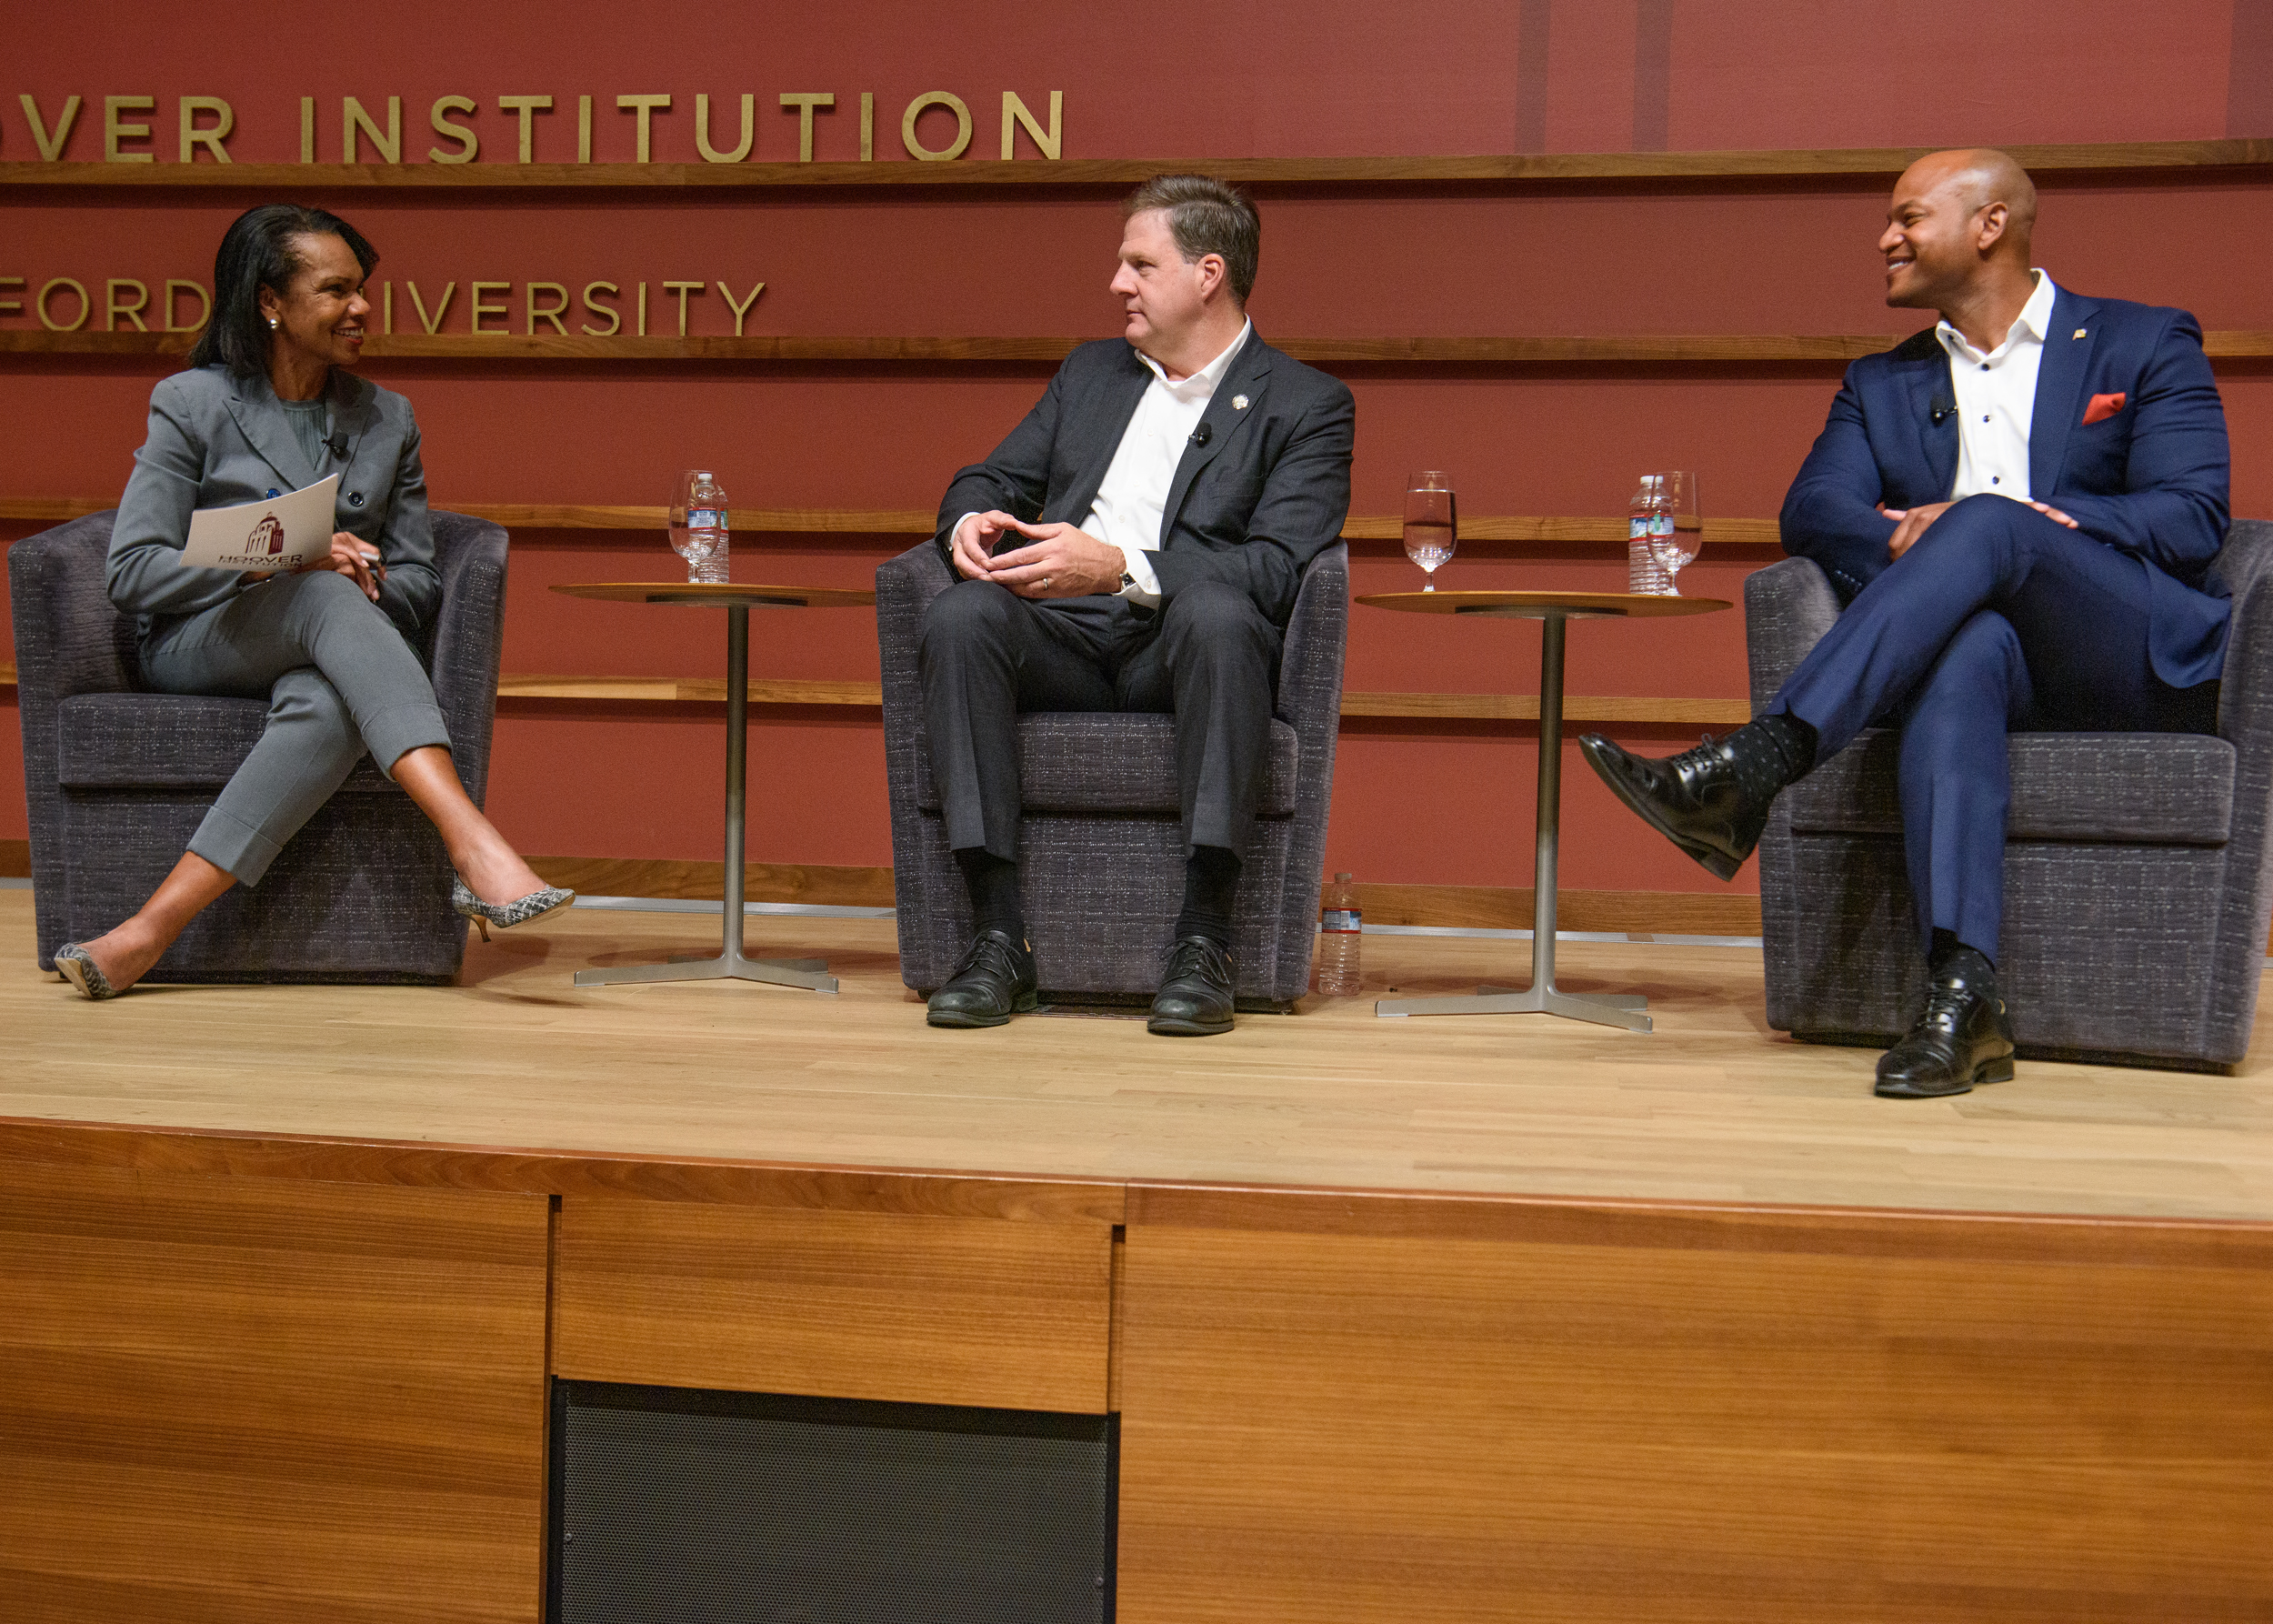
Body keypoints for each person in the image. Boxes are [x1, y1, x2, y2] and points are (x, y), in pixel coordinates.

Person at [1579, 148, 2231, 1098]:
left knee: (1992, 519)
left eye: (1907, 218)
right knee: (1964, 646)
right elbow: (1814, 509)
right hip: (1995, 655)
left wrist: (2026, 523)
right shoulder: (1881, 384)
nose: (1885, 238)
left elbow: (2192, 514)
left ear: (1989, 225)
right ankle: (1962, 998)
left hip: (2124, 645)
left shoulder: (2142, 342)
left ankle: (1760, 761)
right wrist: (1915, 540)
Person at [50, 203, 570, 999]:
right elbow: (133, 572)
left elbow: (422, 579)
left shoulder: (386, 417)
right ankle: (469, 839)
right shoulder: (190, 403)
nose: (361, 308)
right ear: (270, 302)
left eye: (363, 289)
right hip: (203, 641)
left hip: (331, 644)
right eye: (335, 291)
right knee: (314, 585)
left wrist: (364, 581)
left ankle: (145, 932)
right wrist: (281, 554)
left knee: (328, 700)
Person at [917, 175, 1356, 1036]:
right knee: (961, 617)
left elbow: (1274, 570)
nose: (1117, 283)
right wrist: (969, 522)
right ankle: (998, 938)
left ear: (1206, 275)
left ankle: (1204, 940)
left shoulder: (1306, 405)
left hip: (1179, 646)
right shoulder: (1092, 373)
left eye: (1138, 264)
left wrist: (1119, 567)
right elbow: (988, 475)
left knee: (1225, 612)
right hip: (1062, 638)